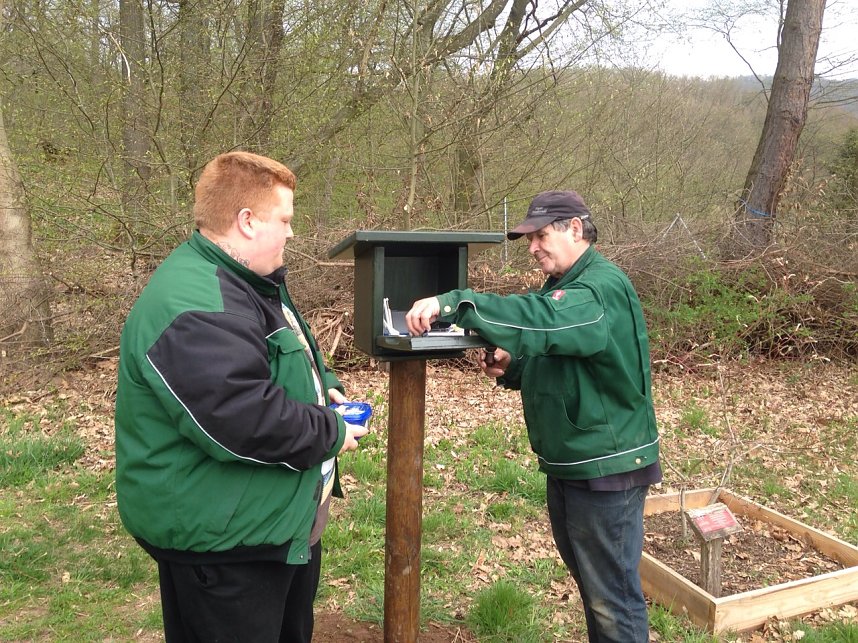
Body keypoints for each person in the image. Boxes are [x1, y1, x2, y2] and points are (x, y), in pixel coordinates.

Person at [114, 150, 368, 642]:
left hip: (269, 526)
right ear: (247, 221)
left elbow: (283, 347)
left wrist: (325, 384)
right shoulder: (196, 305)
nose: (291, 233)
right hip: (226, 547)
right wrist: (331, 431)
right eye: (285, 220)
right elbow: (241, 419)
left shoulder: (247, 279)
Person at [405, 190, 661, 643]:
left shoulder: (597, 289)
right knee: (596, 592)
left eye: (541, 236)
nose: (533, 247)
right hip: (573, 463)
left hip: (606, 469)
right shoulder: (567, 286)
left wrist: (454, 303)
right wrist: (514, 365)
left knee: (612, 600)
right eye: (529, 239)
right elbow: (562, 353)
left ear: (575, 229)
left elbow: (541, 320)